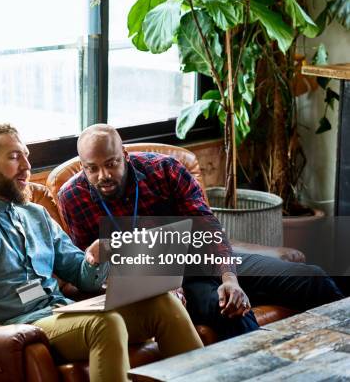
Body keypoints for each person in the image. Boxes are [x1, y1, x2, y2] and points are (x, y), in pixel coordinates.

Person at [0, 124, 203, 382]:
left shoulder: (36, 215)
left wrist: (96, 256)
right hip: (19, 327)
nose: (27, 168)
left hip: (62, 313)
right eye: (14, 157)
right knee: (105, 324)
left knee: (163, 303)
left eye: (26, 157)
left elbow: (82, 275)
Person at [57, 124, 344, 340]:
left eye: (111, 163)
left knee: (312, 278)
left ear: (125, 155)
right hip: (163, 281)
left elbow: (207, 229)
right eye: (91, 169)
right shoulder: (73, 197)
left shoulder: (164, 170)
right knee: (229, 311)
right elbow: (94, 273)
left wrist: (229, 278)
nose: (103, 176)